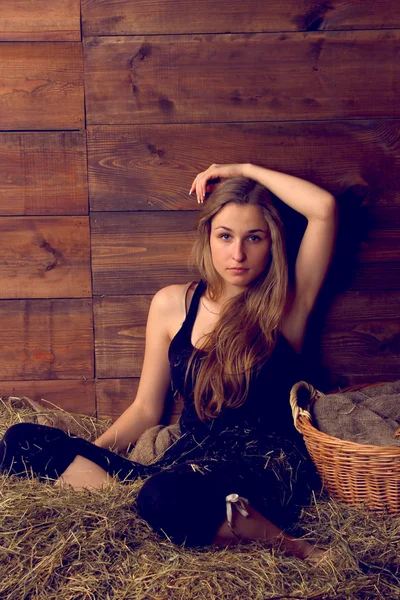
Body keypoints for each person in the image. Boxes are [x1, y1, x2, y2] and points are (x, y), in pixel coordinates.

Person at [0, 163, 337, 561]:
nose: (238, 253)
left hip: (262, 465)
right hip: (188, 460)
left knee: (165, 494)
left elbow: (324, 208)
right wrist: (93, 453)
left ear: (272, 243)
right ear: (208, 237)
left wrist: (243, 169)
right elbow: (146, 409)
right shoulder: (171, 304)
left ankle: (299, 548)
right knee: (21, 442)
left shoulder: (286, 306)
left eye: (254, 238)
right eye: (225, 236)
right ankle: (148, 509)